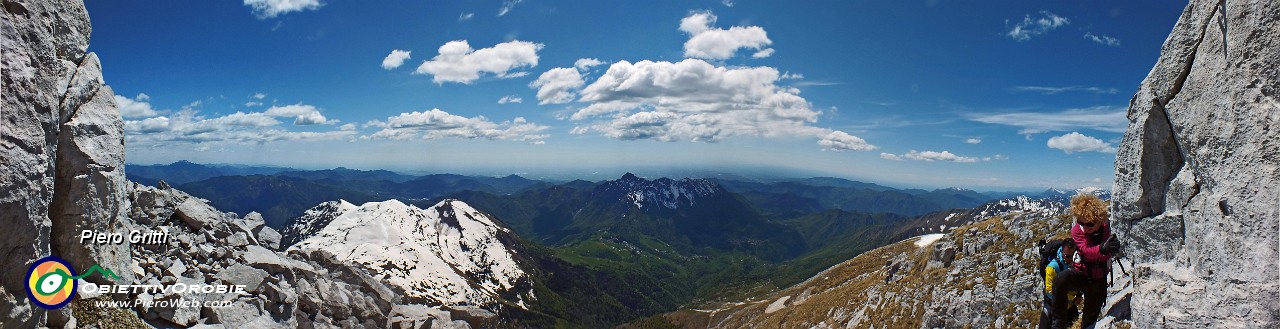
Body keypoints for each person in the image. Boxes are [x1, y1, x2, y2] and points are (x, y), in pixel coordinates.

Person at [1050, 194, 1122, 329]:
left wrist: (1109, 249)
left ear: (1100, 220)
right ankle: (1058, 325)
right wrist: (1102, 249)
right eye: (1080, 222)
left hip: (1098, 279)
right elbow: (1085, 251)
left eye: (1089, 223)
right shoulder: (1077, 230)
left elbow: (1105, 254)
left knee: (1089, 320)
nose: (1085, 227)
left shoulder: (1107, 229)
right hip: (1082, 273)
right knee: (1060, 280)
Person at [1038, 241, 1081, 329]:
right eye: (1067, 256)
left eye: (1073, 256)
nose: (1070, 259)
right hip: (1053, 306)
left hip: (1070, 306)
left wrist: (1079, 294)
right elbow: (1050, 292)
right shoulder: (1052, 267)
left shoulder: (1078, 263)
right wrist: (1072, 296)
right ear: (1062, 252)